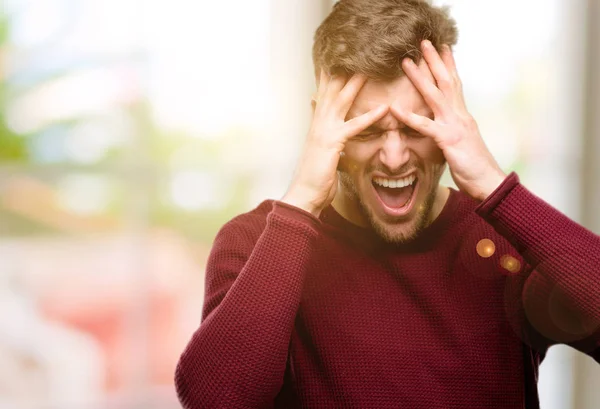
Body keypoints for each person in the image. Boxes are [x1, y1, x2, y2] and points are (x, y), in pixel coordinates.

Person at [175, 0, 600, 408]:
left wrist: (492, 185)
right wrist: (301, 200)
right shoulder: (255, 244)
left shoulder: (504, 242)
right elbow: (217, 399)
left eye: (418, 125)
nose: (394, 157)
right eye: (366, 130)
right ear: (323, 125)